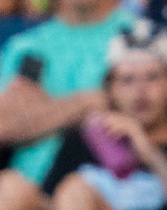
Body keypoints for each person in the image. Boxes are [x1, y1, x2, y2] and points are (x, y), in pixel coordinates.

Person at [0, 19, 167, 210]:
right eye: (127, 80)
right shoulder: (83, 142)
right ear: (111, 91)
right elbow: (50, 208)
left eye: (152, 78)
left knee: (78, 191)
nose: (140, 91)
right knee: (10, 186)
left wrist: (149, 152)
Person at [0, 0, 134, 185]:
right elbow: (3, 126)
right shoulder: (25, 45)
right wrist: (86, 103)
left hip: (110, 187)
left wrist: (36, 113)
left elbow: (144, 116)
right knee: (10, 191)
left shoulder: (138, 36)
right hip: (27, 187)